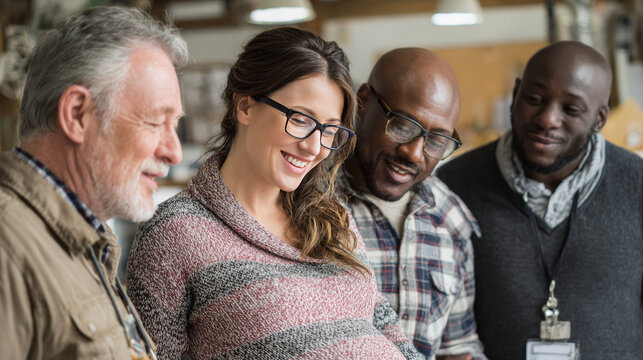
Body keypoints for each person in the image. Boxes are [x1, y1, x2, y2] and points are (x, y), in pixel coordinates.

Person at [126, 27, 423, 360]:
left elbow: (380, 318)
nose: (314, 147)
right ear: (245, 107)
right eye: (300, 119)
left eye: (329, 129)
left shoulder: (330, 214)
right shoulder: (175, 233)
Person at [0, 6, 187, 359]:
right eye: (154, 123)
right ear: (76, 115)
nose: (174, 151)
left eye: (174, 125)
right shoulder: (8, 244)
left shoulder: (88, 239)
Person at [438, 41, 642, 360]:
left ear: (600, 118)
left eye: (571, 109)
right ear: (516, 93)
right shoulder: (451, 187)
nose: (547, 119)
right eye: (534, 99)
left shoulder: (638, 186)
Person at [338, 48, 486, 360]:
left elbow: (457, 349)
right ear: (363, 100)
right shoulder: (308, 202)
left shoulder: (449, 217)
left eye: (436, 141)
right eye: (403, 126)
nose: (415, 154)